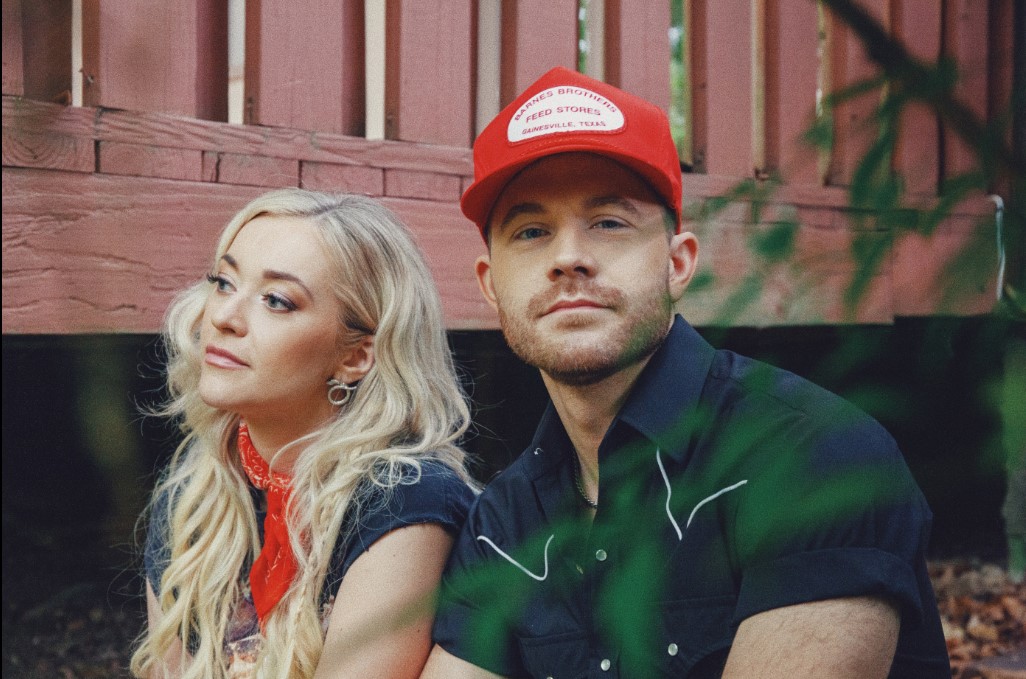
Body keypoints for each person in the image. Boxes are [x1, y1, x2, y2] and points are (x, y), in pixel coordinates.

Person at [421, 67, 950, 678]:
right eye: (532, 231)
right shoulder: (502, 527)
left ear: (678, 264)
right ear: (491, 285)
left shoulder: (810, 455)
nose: (568, 258)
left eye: (609, 222)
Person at [130, 189, 476, 679]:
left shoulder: (405, 500)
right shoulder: (197, 489)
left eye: (277, 301)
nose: (223, 317)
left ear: (355, 357)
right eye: (224, 283)